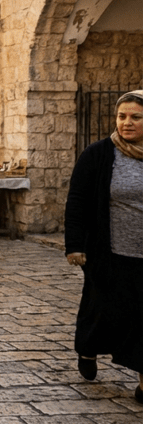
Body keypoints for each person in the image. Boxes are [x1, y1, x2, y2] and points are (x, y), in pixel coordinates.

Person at [65, 89, 143, 400]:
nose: (127, 123)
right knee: (100, 310)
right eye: (122, 116)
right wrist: (74, 244)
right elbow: (78, 202)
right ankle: (88, 349)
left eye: (136, 117)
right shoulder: (98, 154)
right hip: (107, 253)